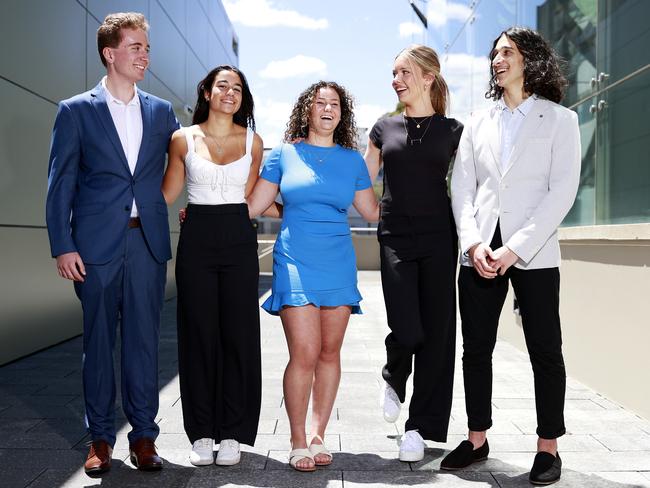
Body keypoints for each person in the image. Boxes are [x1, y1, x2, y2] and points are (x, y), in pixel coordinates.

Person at [443, 27, 580, 485]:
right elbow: (462, 186)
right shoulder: (477, 122)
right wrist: (473, 243)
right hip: (479, 251)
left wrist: (514, 247)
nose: (497, 60)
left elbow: (562, 191)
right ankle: (477, 439)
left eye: (507, 52)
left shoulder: (561, 120)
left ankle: (548, 448)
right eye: (494, 53)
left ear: (530, 60)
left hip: (534, 252)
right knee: (475, 349)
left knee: (545, 349)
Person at [45, 12, 180, 474]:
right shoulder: (75, 110)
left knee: (143, 343)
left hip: (146, 245)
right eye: (136, 46)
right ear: (110, 53)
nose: (145, 54)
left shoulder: (162, 112)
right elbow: (60, 183)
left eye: (146, 46)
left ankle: (144, 436)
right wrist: (62, 244)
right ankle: (100, 438)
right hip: (94, 247)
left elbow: (181, 168)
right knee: (98, 342)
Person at [246, 81, 379, 472]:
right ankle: (298, 439)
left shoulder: (352, 160)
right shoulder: (284, 154)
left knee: (329, 352)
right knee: (303, 352)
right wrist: (207, 209)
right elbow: (256, 203)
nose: (326, 108)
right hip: (295, 260)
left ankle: (320, 435)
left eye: (334, 103)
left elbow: (371, 211)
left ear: (342, 113)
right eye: (319, 102)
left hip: (338, 261)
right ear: (307, 110)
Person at [161, 65, 270, 467]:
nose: (230, 92)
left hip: (239, 236)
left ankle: (233, 434)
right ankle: (203, 432)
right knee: (199, 334)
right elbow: (167, 194)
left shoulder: (255, 141)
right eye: (222, 85)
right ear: (206, 92)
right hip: (198, 238)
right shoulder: (182, 139)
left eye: (237, 88)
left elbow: (255, 196)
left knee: (239, 335)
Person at [364, 45, 463, 462]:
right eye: (393, 73)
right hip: (396, 237)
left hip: (441, 237)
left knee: (438, 334)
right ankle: (394, 373)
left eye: (404, 72)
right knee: (408, 325)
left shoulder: (454, 131)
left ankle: (419, 429)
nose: (396, 79)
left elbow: (472, 188)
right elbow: (358, 180)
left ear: (428, 77)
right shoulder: (383, 128)